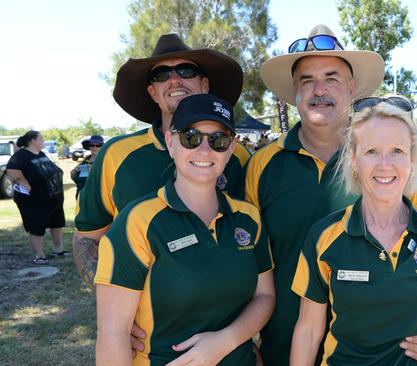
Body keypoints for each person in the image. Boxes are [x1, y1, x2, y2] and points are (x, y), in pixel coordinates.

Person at [245, 24, 417, 366]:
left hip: (385, 355)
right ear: (294, 91)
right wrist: (243, 341)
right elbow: (243, 260)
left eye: (331, 77)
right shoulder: (262, 166)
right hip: (284, 349)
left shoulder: (392, 166)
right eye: (307, 80)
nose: (318, 89)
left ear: (352, 87)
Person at [291, 95, 417, 365]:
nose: (385, 165)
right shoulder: (324, 236)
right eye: (371, 151)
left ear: (412, 159)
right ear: (353, 159)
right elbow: (308, 331)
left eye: (397, 151)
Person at [95, 94, 275, 366]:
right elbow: (113, 334)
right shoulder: (137, 222)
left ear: (229, 150)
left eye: (218, 140)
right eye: (190, 137)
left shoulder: (248, 218)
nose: (205, 150)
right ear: (170, 141)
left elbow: (265, 296)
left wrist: (224, 342)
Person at [73, 33, 251, 289]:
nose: (175, 79)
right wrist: (111, 300)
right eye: (161, 75)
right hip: (148, 322)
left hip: (227, 317)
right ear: (153, 92)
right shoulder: (117, 155)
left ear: (204, 85)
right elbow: (87, 238)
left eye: (186, 70)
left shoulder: (236, 157)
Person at [6, 130, 68, 264]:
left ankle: (59, 249)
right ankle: (39, 255)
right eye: (41, 138)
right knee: (36, 226)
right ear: (33, 140)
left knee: (56, 224)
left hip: (53, 198)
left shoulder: (41, 154)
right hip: (34, 200)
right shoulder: (21, 156)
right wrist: (25, 183)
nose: (43, 140)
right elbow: (12, 170)